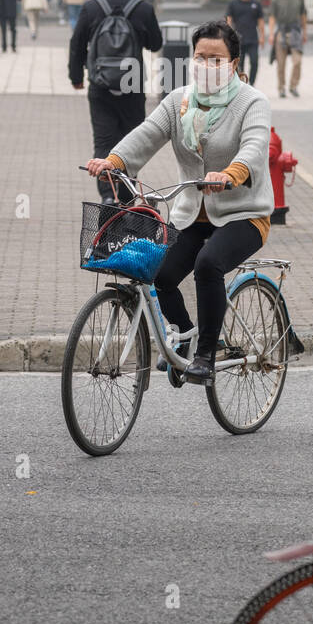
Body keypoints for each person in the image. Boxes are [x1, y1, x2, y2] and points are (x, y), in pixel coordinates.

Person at [86, 20, 273, 386]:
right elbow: (147, 134)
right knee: (159, 272)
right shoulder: (179, 101)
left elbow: (254, 146)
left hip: (243, 213)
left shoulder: (253, 102)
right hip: (191, 214)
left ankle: (205, 356)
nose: (207, 64)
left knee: (208, 264)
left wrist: (231, 173)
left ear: (233, 63)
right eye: (200, 57)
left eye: (216, 59)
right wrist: (114, 161)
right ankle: (184, 335)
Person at [70, 0, 162, 204]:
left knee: (104, 139)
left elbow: (77, 43)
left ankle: (108, 196)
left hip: (100, 86)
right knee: (132, 140)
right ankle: (126, 195)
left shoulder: (92, 8)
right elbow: (156, 44)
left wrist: (76, 77)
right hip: (132, 86)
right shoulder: (142, 9)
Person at [269, 0, 307, 98]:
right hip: (281, 32)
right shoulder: (276, 0)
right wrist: (270, 34)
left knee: (297, 61)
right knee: (281, 63)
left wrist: (304, 32)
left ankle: (293, 86)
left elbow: (303, 16)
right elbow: (272, 18)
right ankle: (281, 88)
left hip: (295, 32)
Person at [226, 0, 264, 86]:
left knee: (254, 62)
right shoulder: (233, 3)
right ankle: (241, 85)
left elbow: (260, 21)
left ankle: (252, 83)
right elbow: (229, 20)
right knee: (239, 64)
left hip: (253, 39)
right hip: (238, 40)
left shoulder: (256, 4)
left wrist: (262, 37)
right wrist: (229, 36)